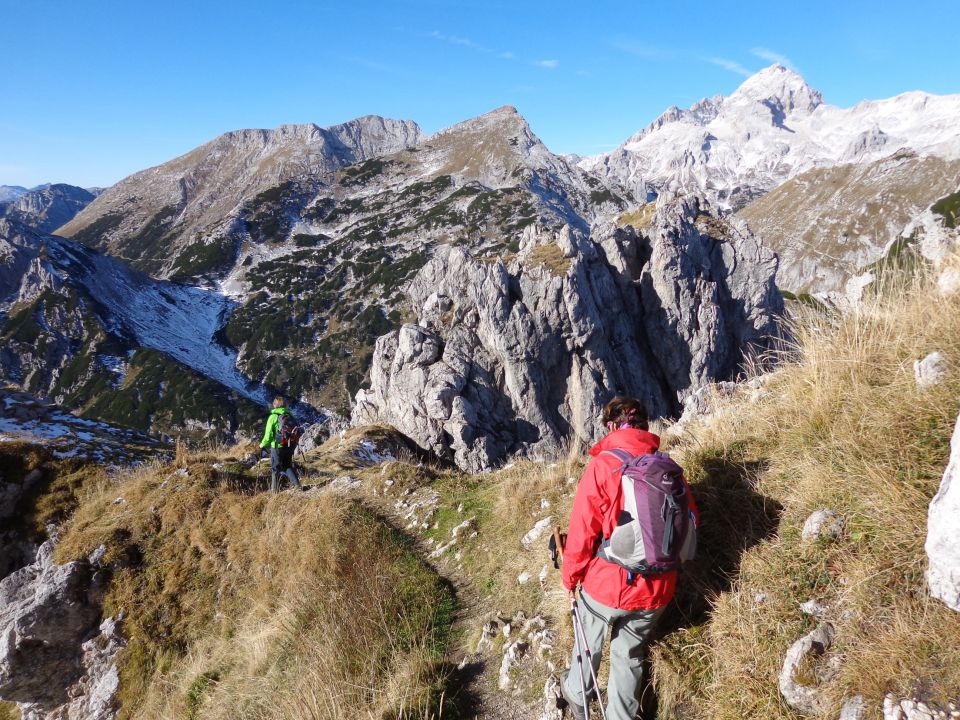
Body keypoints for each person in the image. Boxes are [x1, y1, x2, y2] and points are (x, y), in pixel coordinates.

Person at [560, 396, 698, 720]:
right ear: (645, 425)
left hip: (610, 585)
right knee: (629, 652)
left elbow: (582, 533)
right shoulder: (668, 468)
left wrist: (570, 579)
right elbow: (691, 521)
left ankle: (578, 696)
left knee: (589, 637)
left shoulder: (603, 466)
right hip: (658, 589)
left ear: (610, 426)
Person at [260, 397, 301, 492]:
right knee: (287, 464)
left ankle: (274, 490)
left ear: (275, 405)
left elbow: (268, 435)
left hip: (278, 445)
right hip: (291, 444)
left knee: (275, 468)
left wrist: (262, 444)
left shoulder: (273, 416)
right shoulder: (290, 415)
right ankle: (297, 486)